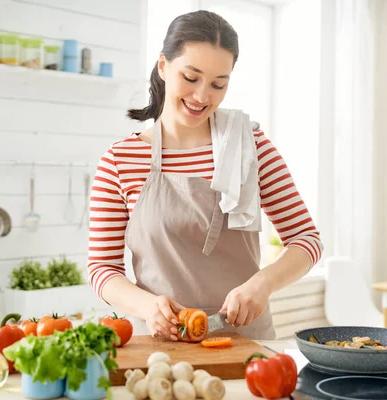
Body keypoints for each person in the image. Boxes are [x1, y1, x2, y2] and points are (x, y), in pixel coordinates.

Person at [87, 10, 323, 340]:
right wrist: (148, 307)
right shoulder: (121, 159)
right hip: (158, 343)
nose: (202, 96)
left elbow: (306, 240)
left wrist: (262, 283)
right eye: (191, 77)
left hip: (246, 340)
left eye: (218, 84)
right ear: (163, 66)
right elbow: (102, 268)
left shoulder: (251, 147)